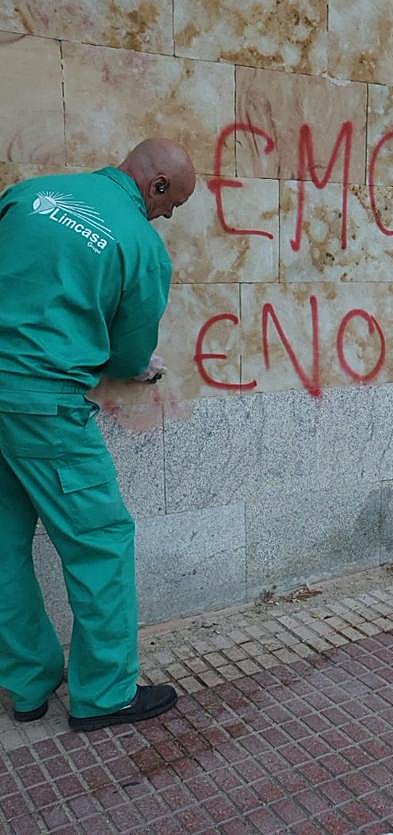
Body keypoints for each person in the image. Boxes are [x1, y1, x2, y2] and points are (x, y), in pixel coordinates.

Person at [0, 138, 196, 732]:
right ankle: (106, 693)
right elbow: (129, 350)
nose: (166, 216)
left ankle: (27, 683)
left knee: (5, 544)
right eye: (172, 204)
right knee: (101, 542)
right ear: (156, 185)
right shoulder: (139, 244)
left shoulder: (28, 195)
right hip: (46, 405)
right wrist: (135, 366)